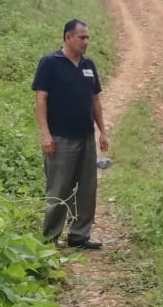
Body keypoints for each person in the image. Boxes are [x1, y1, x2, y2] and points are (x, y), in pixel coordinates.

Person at [32, 19, 110, 249]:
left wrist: (102, 131)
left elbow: (95, 100)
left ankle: (79, 235)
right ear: (68, 37)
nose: (86, 41)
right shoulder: (50, 63)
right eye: (81, 37)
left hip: (85, 136)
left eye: (87, 37)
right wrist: (45, 134)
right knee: (59, 189)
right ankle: (50, 239)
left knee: (87, 189)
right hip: (60, 138)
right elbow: (41, 100)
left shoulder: (88, 64)